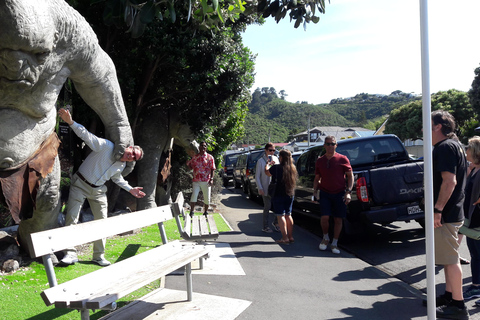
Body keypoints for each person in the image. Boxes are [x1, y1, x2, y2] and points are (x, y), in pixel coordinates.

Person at [58, 108, 146, 267]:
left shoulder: (121, 165)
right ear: (128, 147)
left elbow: (117, 179)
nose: (131, 157)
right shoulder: (107, 146)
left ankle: (98, 256)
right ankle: (69, 254)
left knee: (102, 222)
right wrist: (70, 122)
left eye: (135, 158)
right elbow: (86, 135)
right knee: (72, 218)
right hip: (80, 184)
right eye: (132, 153)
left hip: (98, 191)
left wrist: (131, 189)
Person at [430, 110, 469, 319]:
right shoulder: (455, 145)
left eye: (428, 123)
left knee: (451, 259)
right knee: (447, 258)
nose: (423, 128)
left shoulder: (445, 147)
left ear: (437, 126)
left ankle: (458, 305)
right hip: (453, 211)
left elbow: (449, 181)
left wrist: (438, 209)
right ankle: (449, 296)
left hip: (446, 214)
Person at [314, 136, 353, 255]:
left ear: (336, 145)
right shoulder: (320, 160)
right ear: (324, 146)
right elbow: (317, 178)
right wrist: (314, 192)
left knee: (338, 219)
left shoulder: (343, 159)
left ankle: (334, 243)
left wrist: (348, 192)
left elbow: (350, 176)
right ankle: (325, 238)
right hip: (325, 192)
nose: (330, 146)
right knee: (325, 217)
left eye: (333, 144)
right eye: (328, 144)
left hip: (339, 192)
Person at [461, 137, 480, 301]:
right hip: (471, 219)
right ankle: (476, 286)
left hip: (478, 220)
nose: (465, 151)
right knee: (475, 254)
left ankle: (476, 287)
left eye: (468, 148)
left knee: (478, 254)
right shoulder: (473, 169)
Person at [265, 149, 297, 244]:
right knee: (288, 215)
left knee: (280, 216)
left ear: (281, 158)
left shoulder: (276, 168)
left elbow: (267, 172)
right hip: (290, 194)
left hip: (278, 194)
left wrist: (268, 165)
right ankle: (291, 237)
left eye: (279, 156)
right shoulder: (293, 168)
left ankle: (284, 238)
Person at [187, 141, 216, 216]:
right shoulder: (195, 157)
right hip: (196, 180)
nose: (203, 148)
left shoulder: (210, 157)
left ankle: (205, 212)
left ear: (206, 148)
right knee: (194, 195)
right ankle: (192, 211)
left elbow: (212, 168)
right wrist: (188, 164)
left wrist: (211, 179)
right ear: (199, 147)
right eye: (201, 146)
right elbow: (191, 167)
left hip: (206, 180)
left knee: (207, 197)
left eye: (204, 146)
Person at [256, 143, 279, 233]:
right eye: (270, 150)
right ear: (265, 150)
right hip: (266, 187)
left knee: (277, 207)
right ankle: (265, 226)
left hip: (276, 187)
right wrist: (260, 188)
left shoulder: (276, 159)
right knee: (267, 207)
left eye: (274, 150)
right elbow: (257, 176)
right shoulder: (261, 161)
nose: (272, 152)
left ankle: (276, 223)